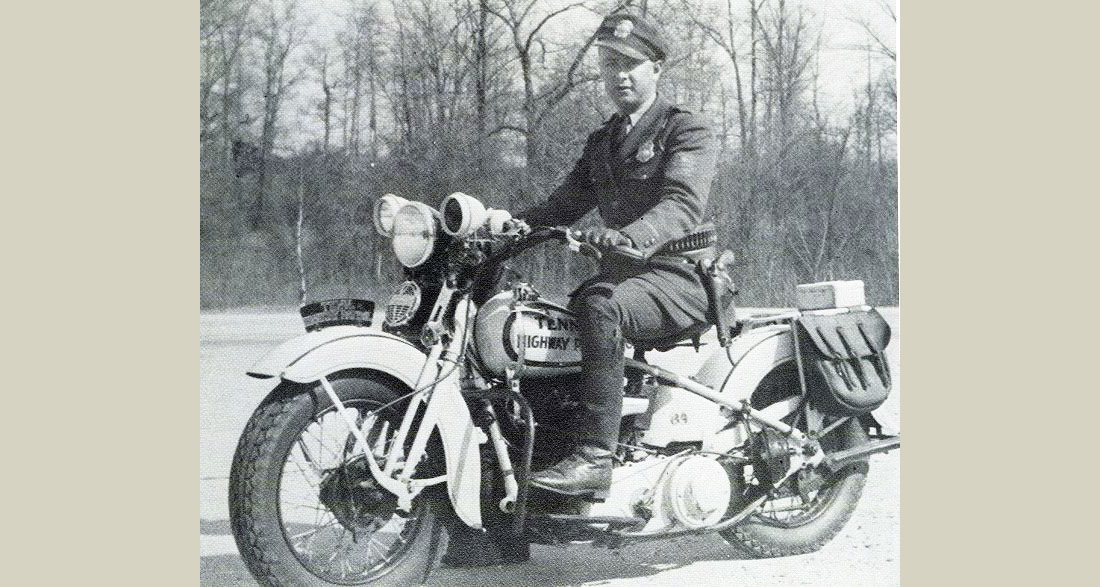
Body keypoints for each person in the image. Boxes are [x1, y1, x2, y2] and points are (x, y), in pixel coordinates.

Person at [516, 9, 720, 498]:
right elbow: (563, 204)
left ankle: (595, 457)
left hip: (680, 278)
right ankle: (535, 467)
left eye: (632, 63)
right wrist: (510, 228)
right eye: (610, 63)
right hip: (630, 279)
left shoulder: (685, 130)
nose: (620, 74)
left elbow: (681, 204)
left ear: (656, 69)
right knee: (546, 323)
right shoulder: (604, 142)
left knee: (599, 304)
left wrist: (630, 235)